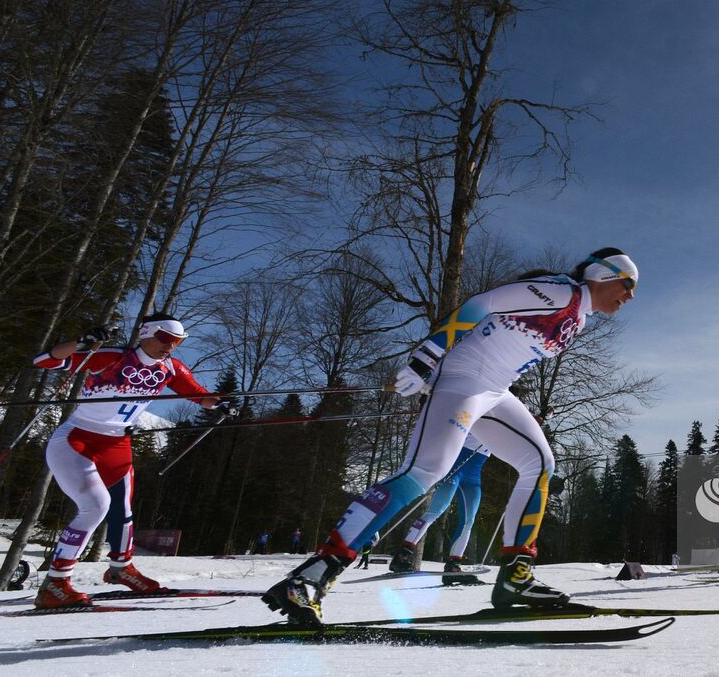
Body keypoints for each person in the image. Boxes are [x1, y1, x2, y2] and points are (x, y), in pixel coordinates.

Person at [263, 249, 638, 626]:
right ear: (602, 275)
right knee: (425, 472)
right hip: (463, 379)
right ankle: (311, 576)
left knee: (539, 463)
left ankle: (515, 579)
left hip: (494, 390)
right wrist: (425, 359)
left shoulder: (579, 316)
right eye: (628, 284)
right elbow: (482, 304)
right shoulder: (559, 293)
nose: (631, 296)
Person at [31, 313, 233, 608]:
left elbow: (199, 395)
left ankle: (121, 569)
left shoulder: (170, 368)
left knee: (123, 509)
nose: (171, 346)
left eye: (177, 342)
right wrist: (82, 343)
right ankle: (55, 583)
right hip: (78, 439)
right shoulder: (111, 357)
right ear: (146, 334)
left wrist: (220, 403)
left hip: (118, 443)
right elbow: (43, 362)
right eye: (165, 338)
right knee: (95, 506)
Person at [388, 435, 490, 574]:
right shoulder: (480, 415)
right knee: (435, 511)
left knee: (468, 521)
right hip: (455, 469)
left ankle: (453, 565)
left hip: (473, 477)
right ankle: (403, 555)